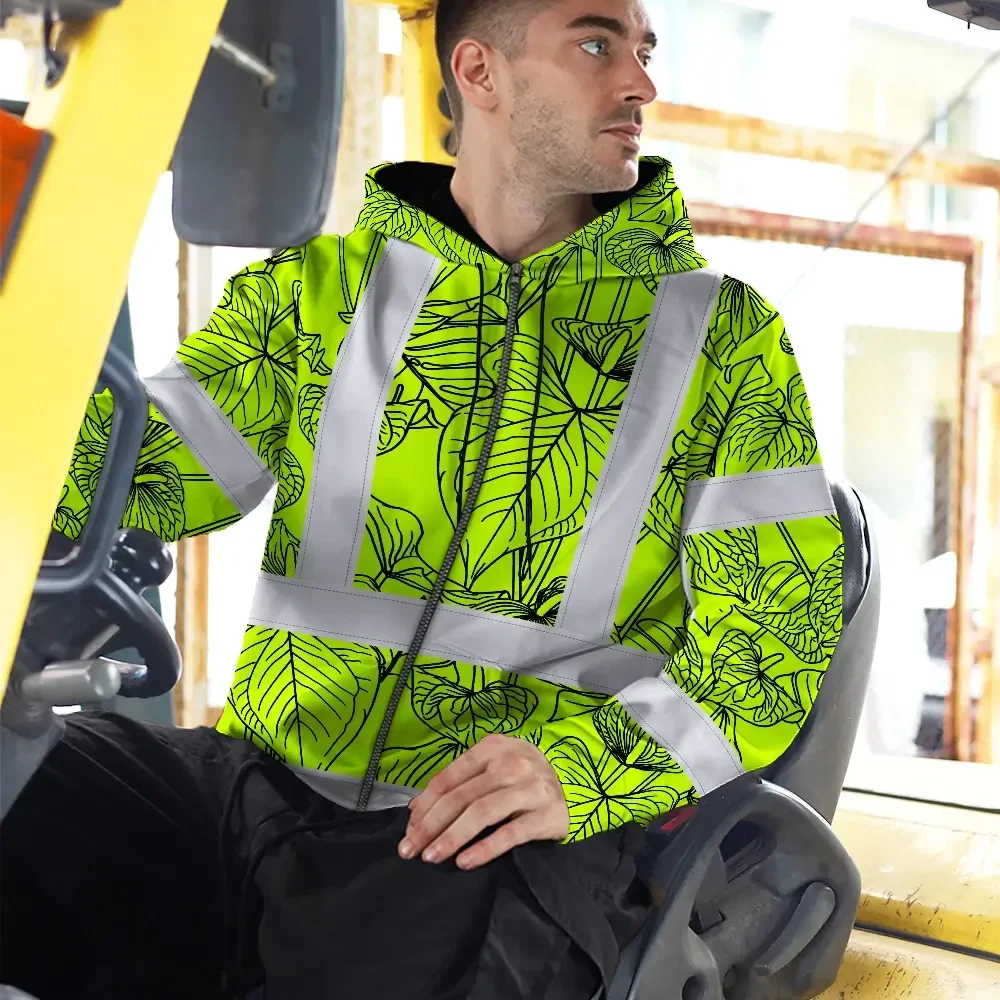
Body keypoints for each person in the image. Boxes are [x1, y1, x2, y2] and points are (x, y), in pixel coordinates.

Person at [0, 0, 844, 997]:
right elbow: (123, 468)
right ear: (479, 73)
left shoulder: (724, 342)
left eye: (643, 50)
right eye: (596, 44)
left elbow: (771, 650)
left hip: (489, 832)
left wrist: (578, 772)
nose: (640, 84)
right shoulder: (315, 296)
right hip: (256, 792)